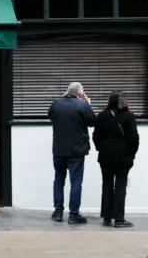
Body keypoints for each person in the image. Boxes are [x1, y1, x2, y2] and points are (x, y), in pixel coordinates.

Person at [48, 82, 96, 224]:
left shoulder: (56, 103)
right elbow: (93, 122)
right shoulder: (82, 105)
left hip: (59, 148)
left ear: (66, 91)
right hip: (77, 150)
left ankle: (58, 212)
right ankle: (73, 215)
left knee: (58, 180)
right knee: (76, 182)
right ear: (81, 93)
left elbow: (51, 117)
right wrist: (87, 102)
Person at [93, 91, 139, 228]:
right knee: (120, 185)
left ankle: (106, 218)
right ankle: (119, 219)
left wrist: (101, 148)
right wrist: (132, 153)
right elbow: (134, 138)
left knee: (106, 184)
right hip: (123, 156)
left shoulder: (102, 115)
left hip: (106, 156)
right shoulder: (129, 116)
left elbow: (96, 136)